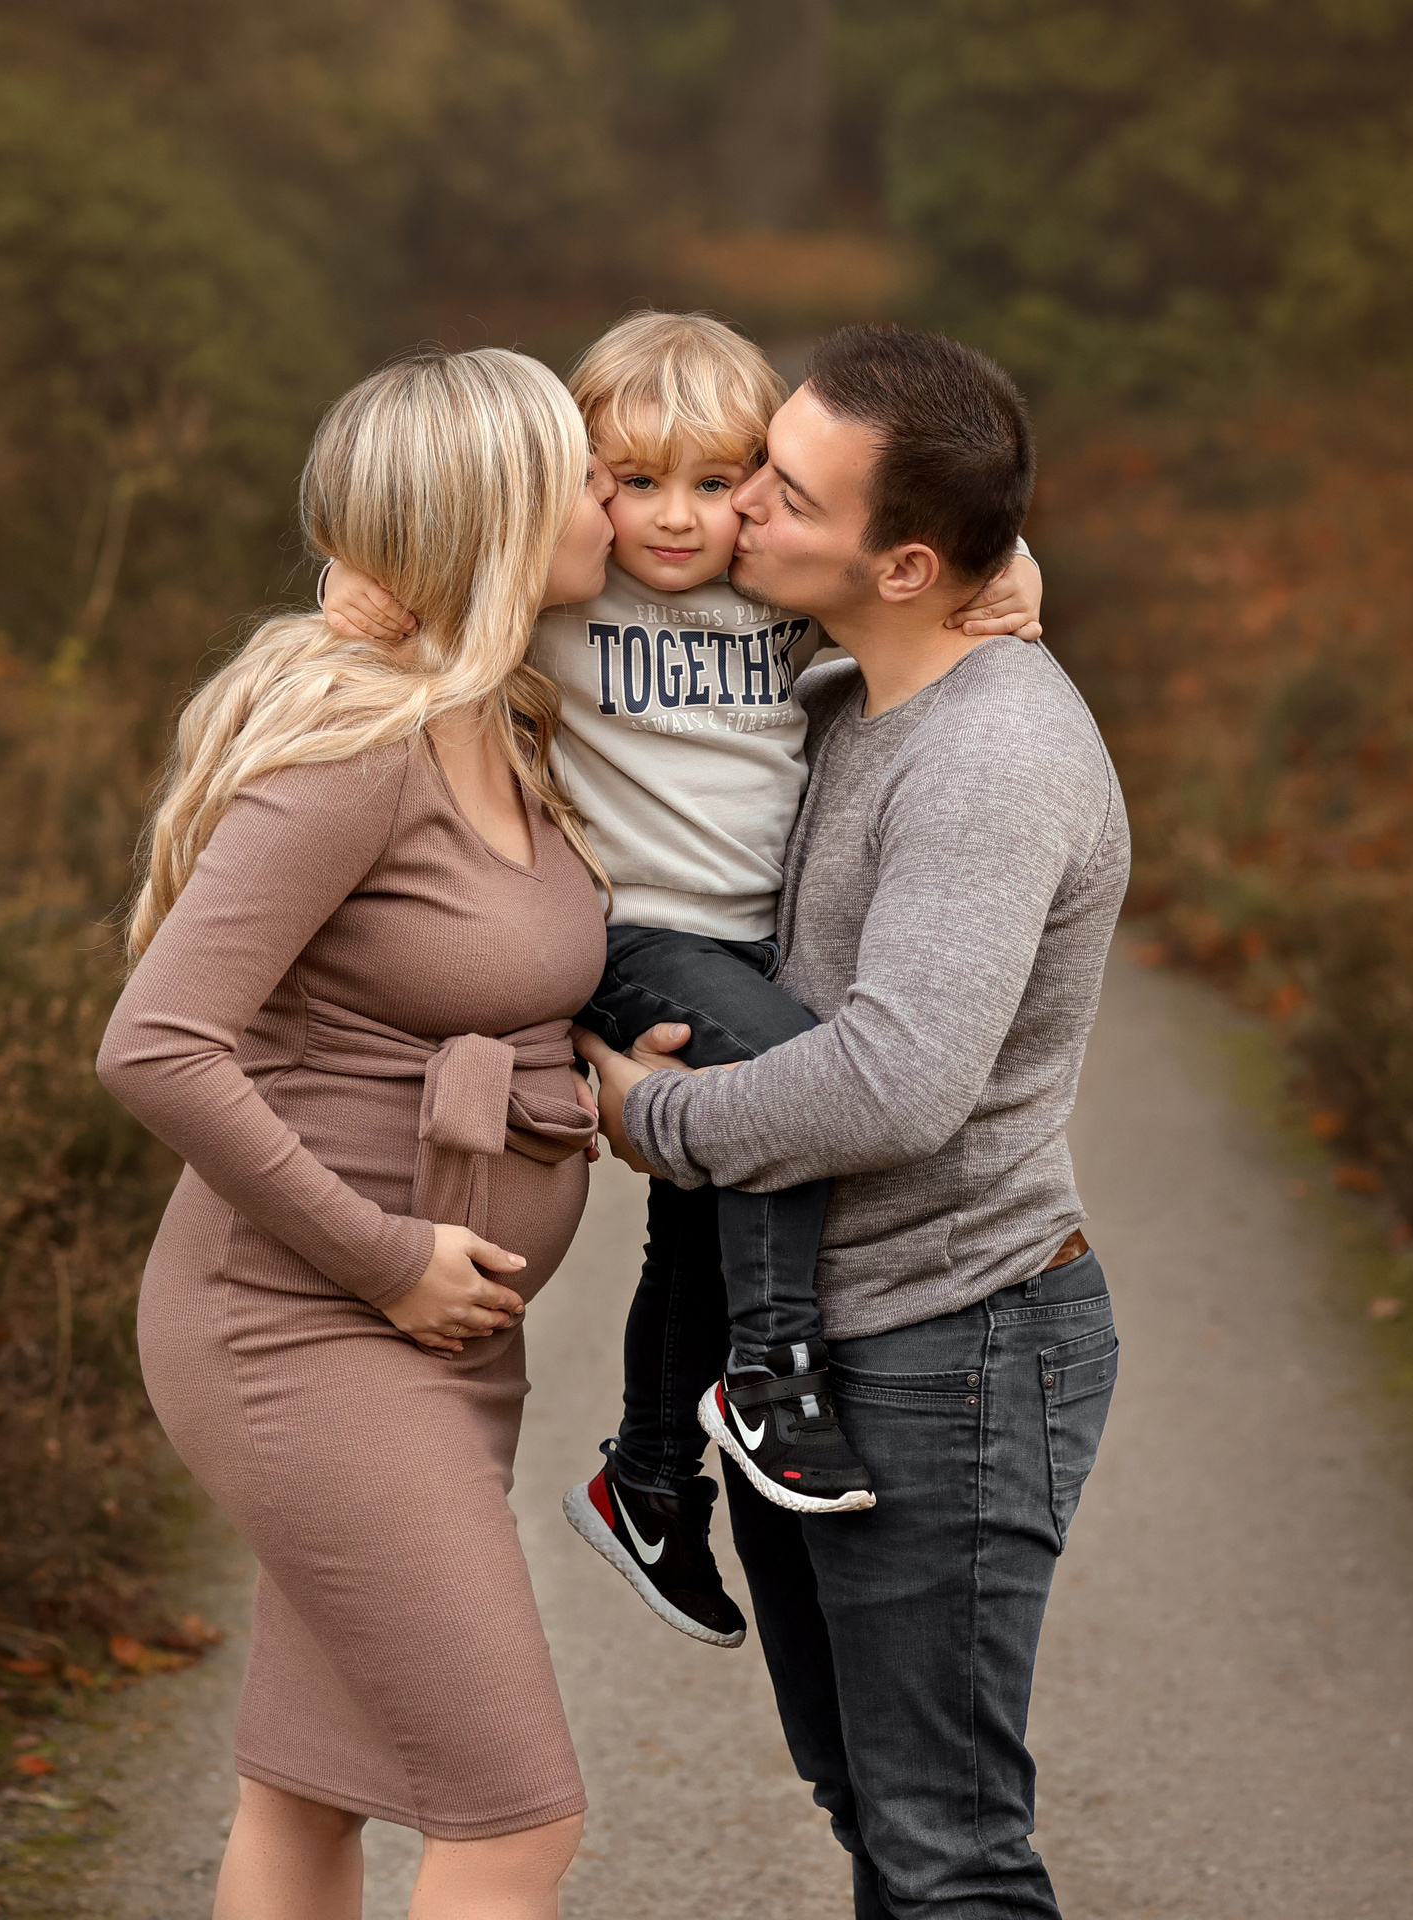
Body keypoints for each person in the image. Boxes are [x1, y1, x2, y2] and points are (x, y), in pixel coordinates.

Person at [323, 311, 1045, 1653]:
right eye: (634, 481)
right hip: (633, 939)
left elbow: (917, 536)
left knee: (704, 1214)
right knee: (787, 1092)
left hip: (757, 941)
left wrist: (1024, 578)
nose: (673, 519)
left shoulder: (775, 598)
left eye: (716, 485)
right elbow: (434, 554)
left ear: (763, 491)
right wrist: (354, 587)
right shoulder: (570, 597)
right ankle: (772, 1376)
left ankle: (650, 1481)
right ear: (585, 485)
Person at [581, 322, 1131, 1920]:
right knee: (875, 1815)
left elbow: (895, 1082)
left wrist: (658, 1120)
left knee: (946, 1846)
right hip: (828, 1360)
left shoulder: (994, 755)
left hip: (952, 1352)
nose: (737, 509)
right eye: (759, 466)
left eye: (782, 493)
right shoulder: (838, 696)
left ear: (898, 565)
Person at [96, 346, 618, 1920]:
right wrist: (389, 1260)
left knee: (313, 1788)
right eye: (586, 477)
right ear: (507, 519)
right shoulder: (357, 752)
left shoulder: (516, 724)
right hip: (300, 1323)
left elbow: (783, 601)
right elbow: (157, 1045)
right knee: (515, 1817)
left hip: (435, 1338)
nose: (616, 502)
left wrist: (995, 581)